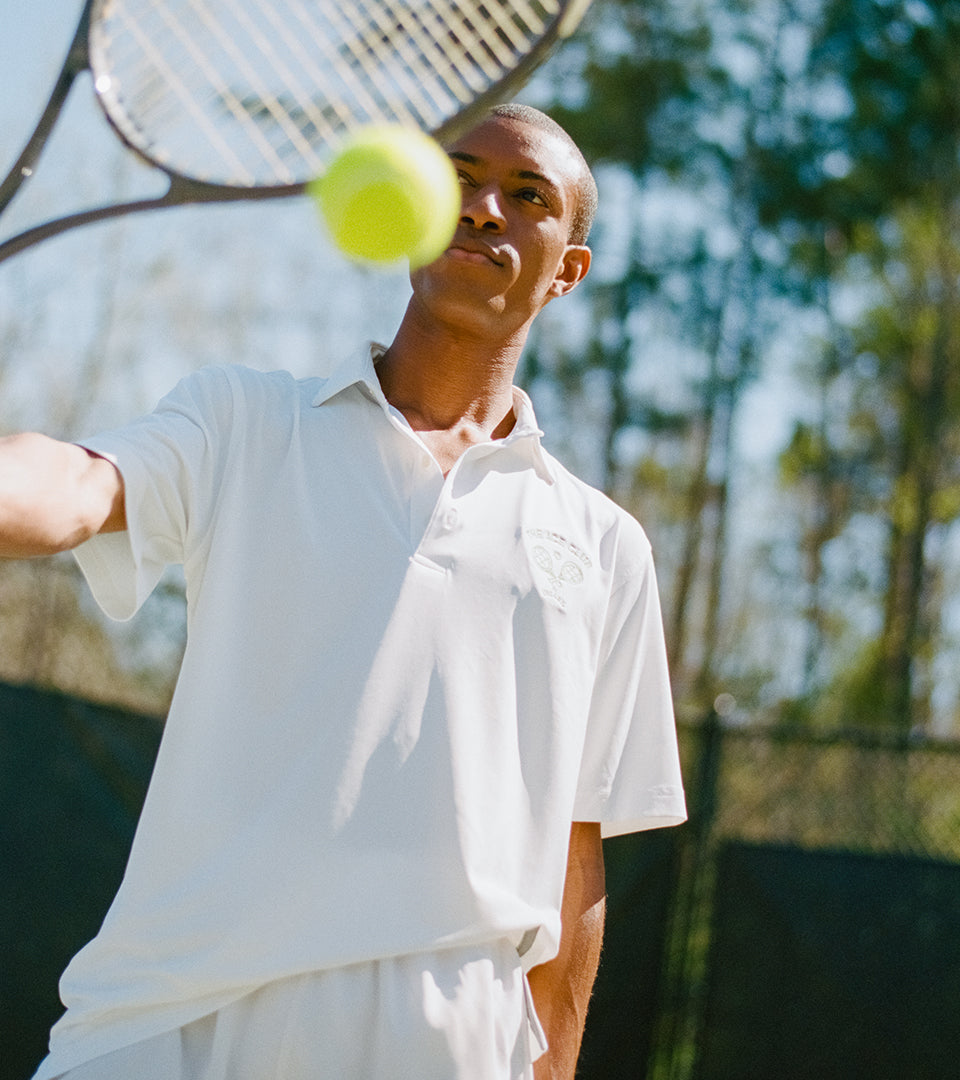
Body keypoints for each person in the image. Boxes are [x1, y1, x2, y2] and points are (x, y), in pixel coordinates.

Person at [0, 103, 686, 1080]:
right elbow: (73, 485)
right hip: (161, 1033)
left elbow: (576, 862)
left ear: (567, 269)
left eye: (527, 196)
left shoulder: (607, 547)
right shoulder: (245, 420)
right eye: (459, 177)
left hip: (444, 1052)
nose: (484, 207)